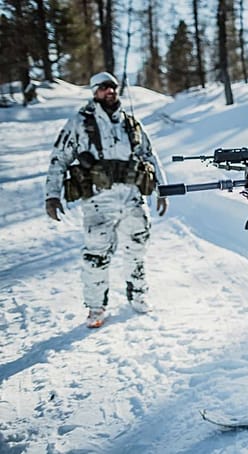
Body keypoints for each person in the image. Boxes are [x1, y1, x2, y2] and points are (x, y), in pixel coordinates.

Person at [44, 71, 168, 329]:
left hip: (132, 198)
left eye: (112, 87)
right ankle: (96, 308)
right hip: (98, 202)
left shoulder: (130, 123)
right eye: (103, 88)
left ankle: (138, 295)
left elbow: (149, 155)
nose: (109, 91)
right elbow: (59, 158)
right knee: (96, 256)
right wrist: (52, 195)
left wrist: (162, 189)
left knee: (137, 250)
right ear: (94, 92)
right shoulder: (80, 123)